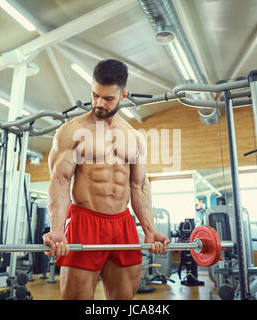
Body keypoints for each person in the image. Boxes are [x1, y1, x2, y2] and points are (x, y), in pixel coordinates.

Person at [43, 59, 170, 300]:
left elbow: (139, 185)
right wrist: (57, 229)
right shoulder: (72, 131)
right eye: (95, 95)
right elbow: (60, 181)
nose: (99, 103)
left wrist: (150, 231)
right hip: (85, 221)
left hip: (123, 224)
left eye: (108, 98)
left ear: (123, 95)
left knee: (124, 298)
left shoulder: (134, 137)